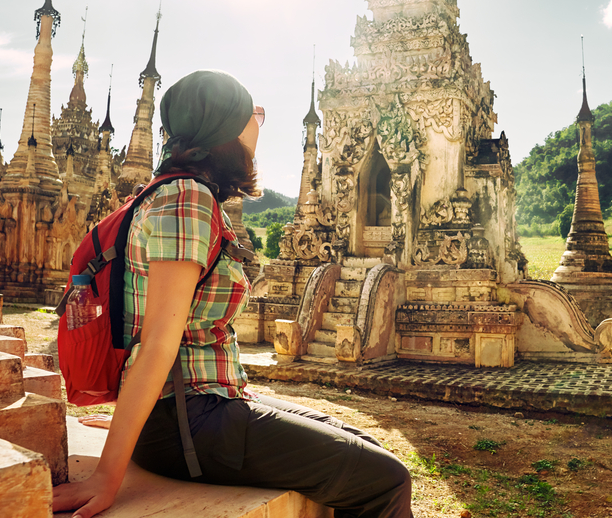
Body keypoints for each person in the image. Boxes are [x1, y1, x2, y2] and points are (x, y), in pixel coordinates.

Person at [52, 70, 413, 518]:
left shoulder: (167, 193)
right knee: (388, 479)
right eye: (252, 115)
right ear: (224, 128)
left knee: (365, 445)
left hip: (192, 410)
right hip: (191, 420)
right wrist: (109, 472)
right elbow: (159, 346)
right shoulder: (188, 198)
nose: (258, 123)